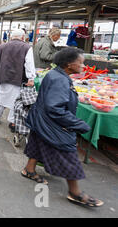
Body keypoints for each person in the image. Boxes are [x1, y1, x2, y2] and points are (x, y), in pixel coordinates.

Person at [21, 47, 103, 208]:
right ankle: (75, 192)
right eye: (80, 63)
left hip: (42, 120)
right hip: (49, 122)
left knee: (38, 142)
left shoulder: (57, 75)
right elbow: (55, 108)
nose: (83, 66)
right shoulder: (59, 79)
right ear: (69, 64)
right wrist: (78, 124)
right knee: (68, 153)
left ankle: (29, 169)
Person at [0, 30, 36, 132]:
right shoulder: (27, 47)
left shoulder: (2, 46)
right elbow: (29, 63)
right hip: (18, 78)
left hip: (3, 76)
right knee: (15, 101)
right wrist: (31, 78)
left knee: (1, 98)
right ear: (22, 37)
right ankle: (12, 122)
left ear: (11, 37)